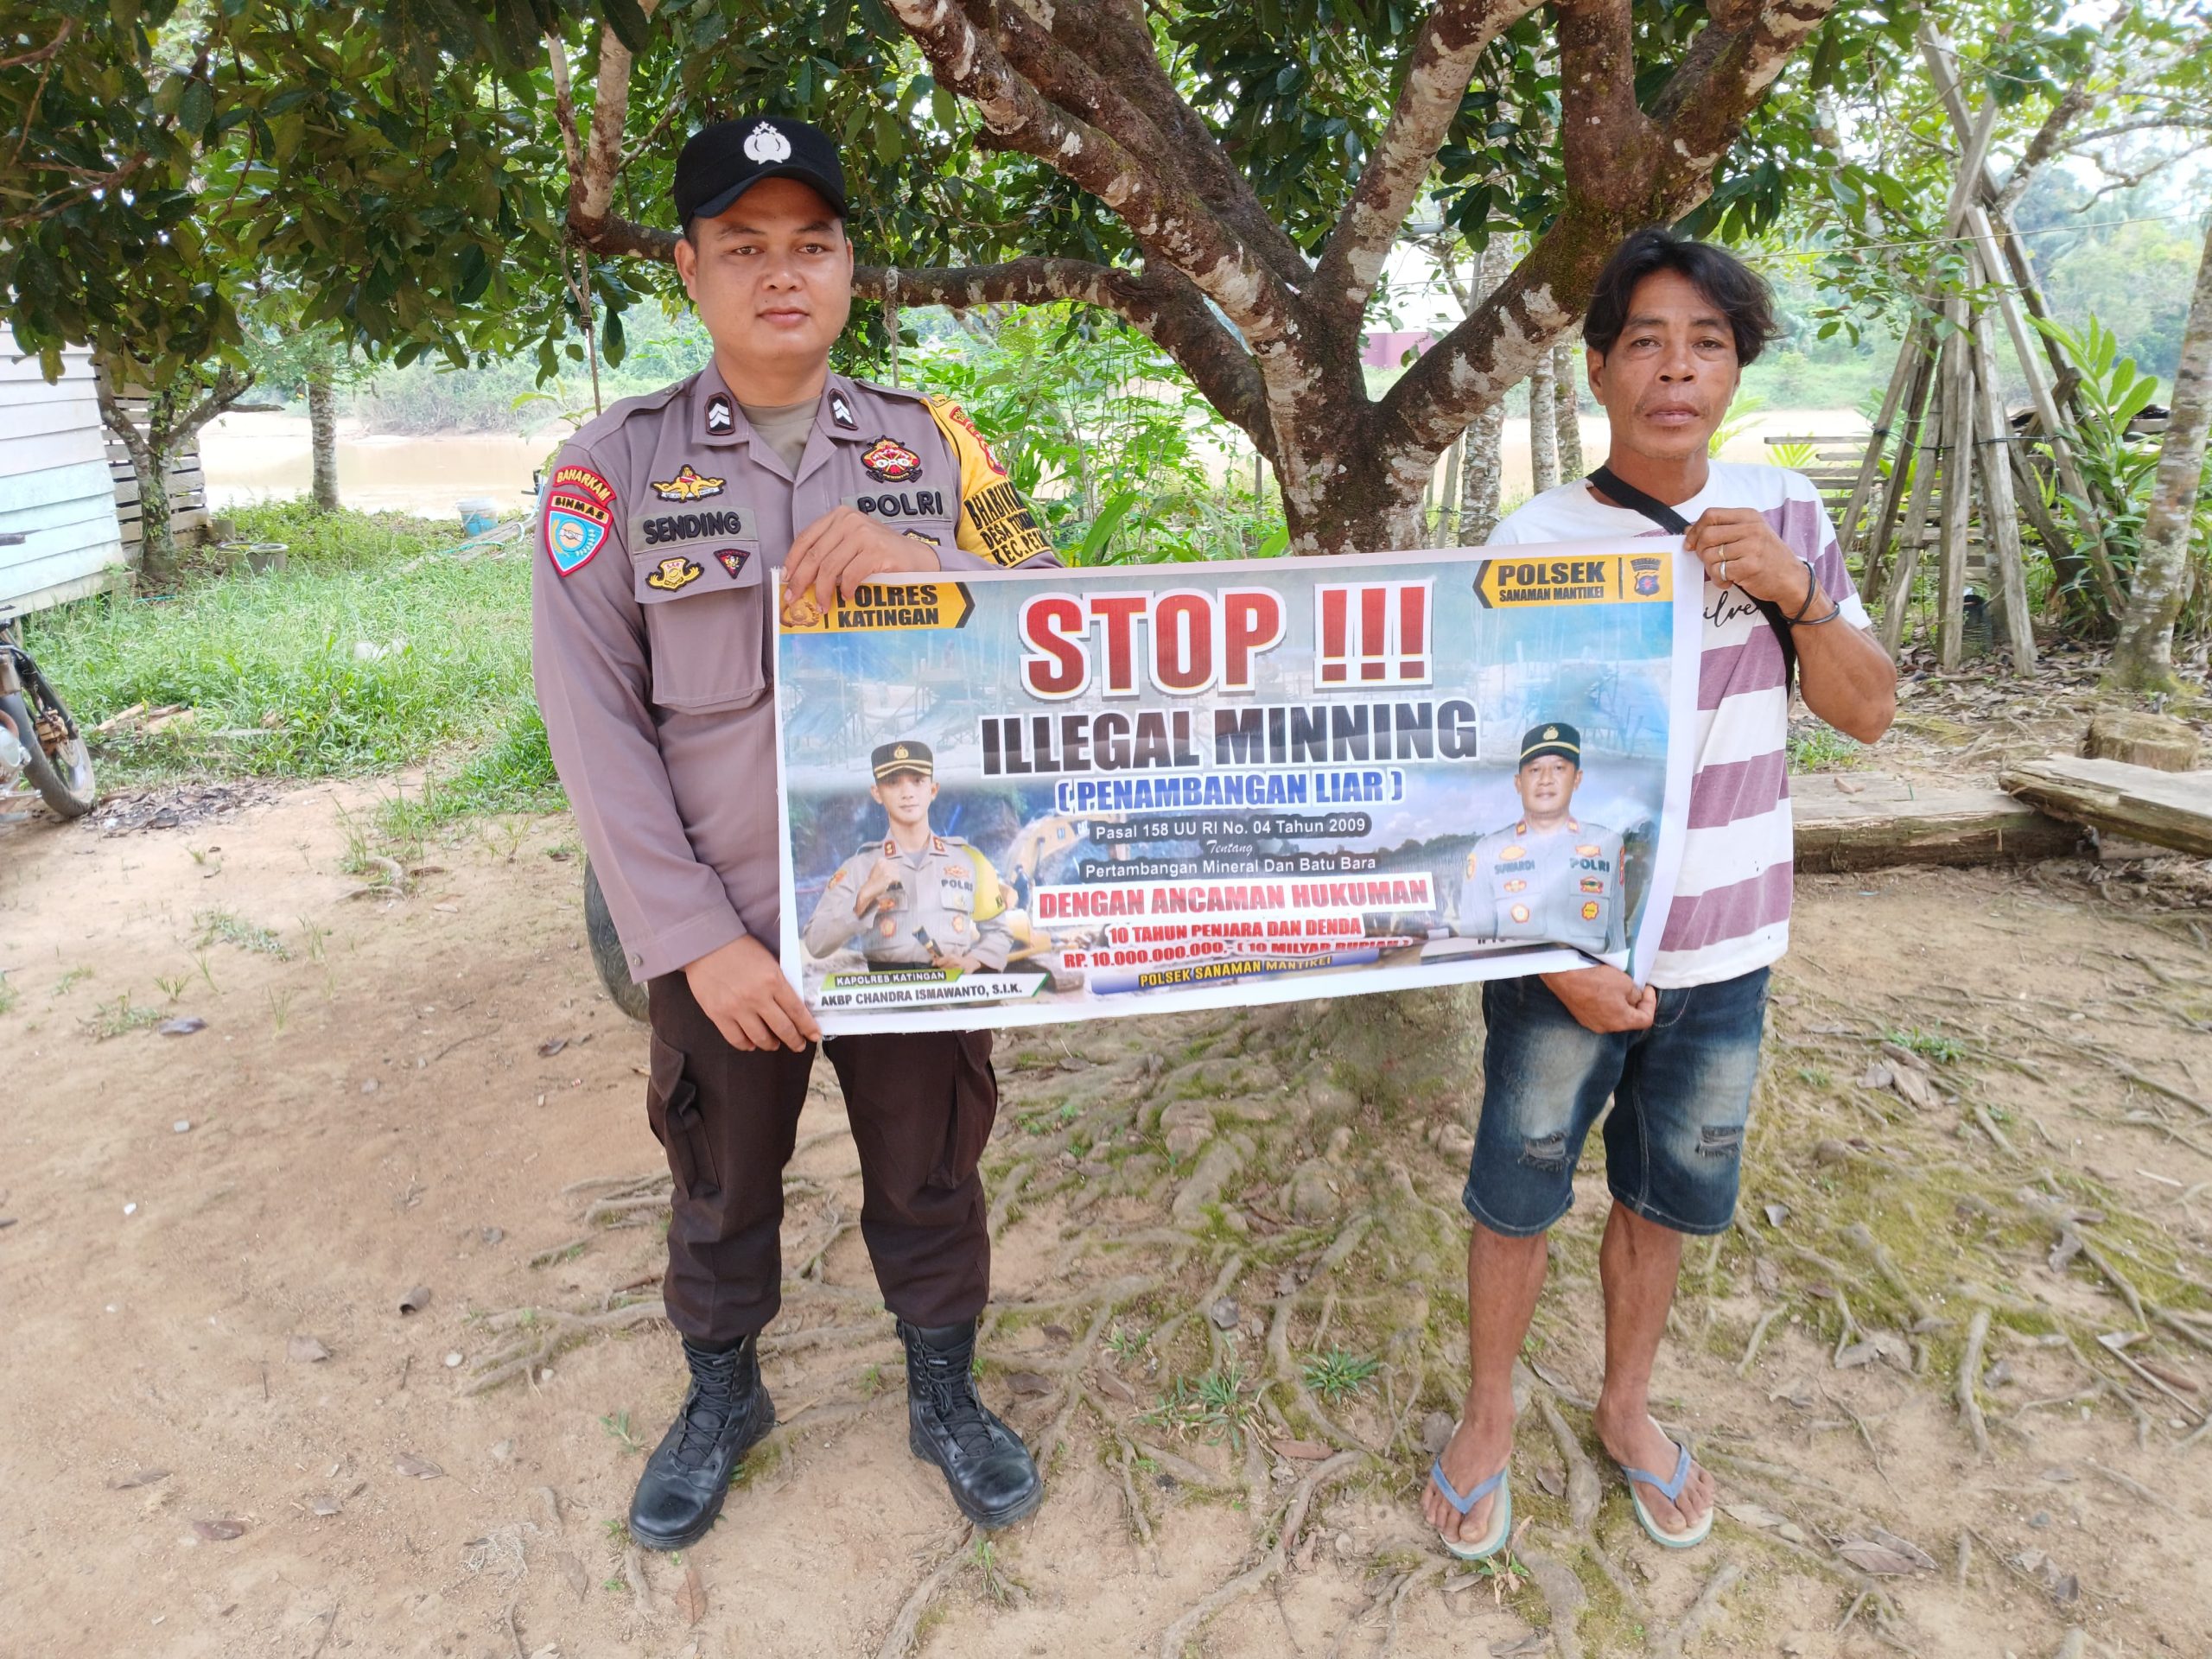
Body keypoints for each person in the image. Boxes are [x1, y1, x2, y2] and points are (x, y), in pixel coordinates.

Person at [532, 114, 1057, 1553]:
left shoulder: (934, 445)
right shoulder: (612, 471)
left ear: (848, 269)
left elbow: (1057, 626)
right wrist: (695, 941)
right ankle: (724, 1396)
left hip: (911, 908)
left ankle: (944, 1394)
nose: (783, 274)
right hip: (728, 928)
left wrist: (927, 562)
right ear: (689, 270)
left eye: (812, 245)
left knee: (931, 1167)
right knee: (718, 1184)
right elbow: (592, 726)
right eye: (745, 246)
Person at [1423, 227, 1896, 1560]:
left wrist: (1796, 595)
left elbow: (1868, 711)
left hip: (1729, 951)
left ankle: (1625, 1408)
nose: (1676, 371)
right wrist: (1554, 952)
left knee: (1663, 1196)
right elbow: (1483, 773)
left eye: (1706, 344)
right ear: (1597, 370)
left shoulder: (1786, 513)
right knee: (1518, 1190)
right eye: (1646, 343)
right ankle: (1490, 1415)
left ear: (1736, 369)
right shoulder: (1536, 542)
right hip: (1569, 954)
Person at [802, 741, 1013, 973]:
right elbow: (815, 942)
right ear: (877, 793)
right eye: (893, 782)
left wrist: (972, 961)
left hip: (952, 988)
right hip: (887, 991)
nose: (907, 793)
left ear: (933, 790)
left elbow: (998, 932)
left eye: (918, 781)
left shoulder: (968, 861)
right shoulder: (860, 867)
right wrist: (863, 897)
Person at [1460, 721, 1625, 960]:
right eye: (1535, 770)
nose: (1546, 779)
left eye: (1559, 768)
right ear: (1518, 782)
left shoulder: (1608, 845)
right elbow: (1474, 950)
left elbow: (1617, 942)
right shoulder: (1487, 852)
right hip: (1516, 982)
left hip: (1589, 982)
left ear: (1577, 778)